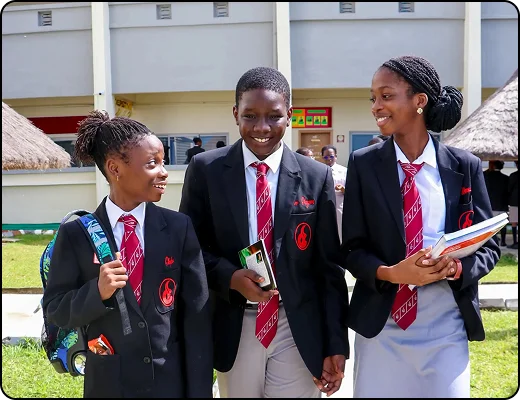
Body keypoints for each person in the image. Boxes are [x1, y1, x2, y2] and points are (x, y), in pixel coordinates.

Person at [179, 66, 349, 398]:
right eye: (250, 116)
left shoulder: (316, 176)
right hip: (235, 324)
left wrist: (335, 343)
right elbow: (190, 249)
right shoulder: (206, 170)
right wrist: (229, 277)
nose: (261, 127)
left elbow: (329, 267)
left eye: (274, 116)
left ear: (290, 115)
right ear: (235, 114)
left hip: (296, 326)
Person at [342, 55, 500, 398]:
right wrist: (390, 273)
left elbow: (489, 247)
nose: (376, 106)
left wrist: (456, 267)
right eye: (373, 98)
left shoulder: (464, 166)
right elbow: (351, 249)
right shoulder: (363, 165)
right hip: (382, 326)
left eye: (386, 96)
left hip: (446, 325)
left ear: (419, 101)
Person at [42, 111, 213, 398]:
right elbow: (56, 310)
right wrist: (97, 292)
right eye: (151, 163)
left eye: (162, 161)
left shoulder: (178, 228)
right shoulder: (77, 234)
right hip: (109, 384)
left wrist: (199, 391)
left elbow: (196, 317)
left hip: (168, 383)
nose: (163, 172)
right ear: (115, 168)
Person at [321, 145, 348, 243]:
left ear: (336, 156)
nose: (329, 159)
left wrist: (343, 189)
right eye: (326, 157)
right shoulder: (320, 170)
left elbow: (351, 190)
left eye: (331, 156)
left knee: (340, 228)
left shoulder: (344, 171)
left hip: (339, 203)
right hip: (324, 204)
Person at [483, 160, 509, 246]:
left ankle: (491, 242)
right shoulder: (506, 178)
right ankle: (503, 241)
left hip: (490, 204)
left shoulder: (486, 176)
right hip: (502, 204)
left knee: (490, 225)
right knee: (503, 225)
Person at [508, 161, 518, 249]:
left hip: (514, 201)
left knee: (514, 222)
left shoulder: (513, 175)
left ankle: (515, 242)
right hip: (514, 201)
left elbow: (509, 188)